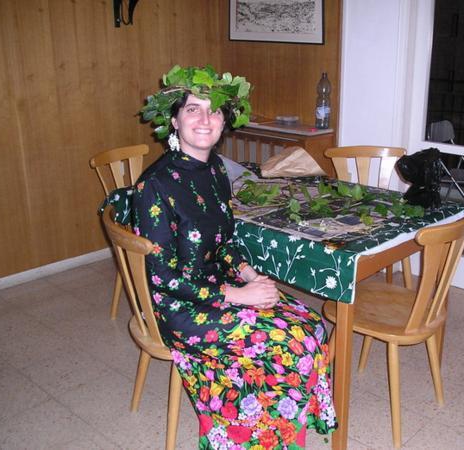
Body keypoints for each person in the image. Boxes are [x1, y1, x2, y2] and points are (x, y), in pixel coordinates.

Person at [132, 65, 336, 449]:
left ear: (225, 121)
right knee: (287, 342)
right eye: (193, 109)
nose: (205, 119)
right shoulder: (154, 186)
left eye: (214, 111)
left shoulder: (215, 169)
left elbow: (224, 241)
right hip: (181, 307)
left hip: (221, 285)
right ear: (174, 120)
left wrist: (248, 273)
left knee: (311, 325)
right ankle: (253, 437)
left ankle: (280, 434)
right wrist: (238, 295)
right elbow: (162, 277)